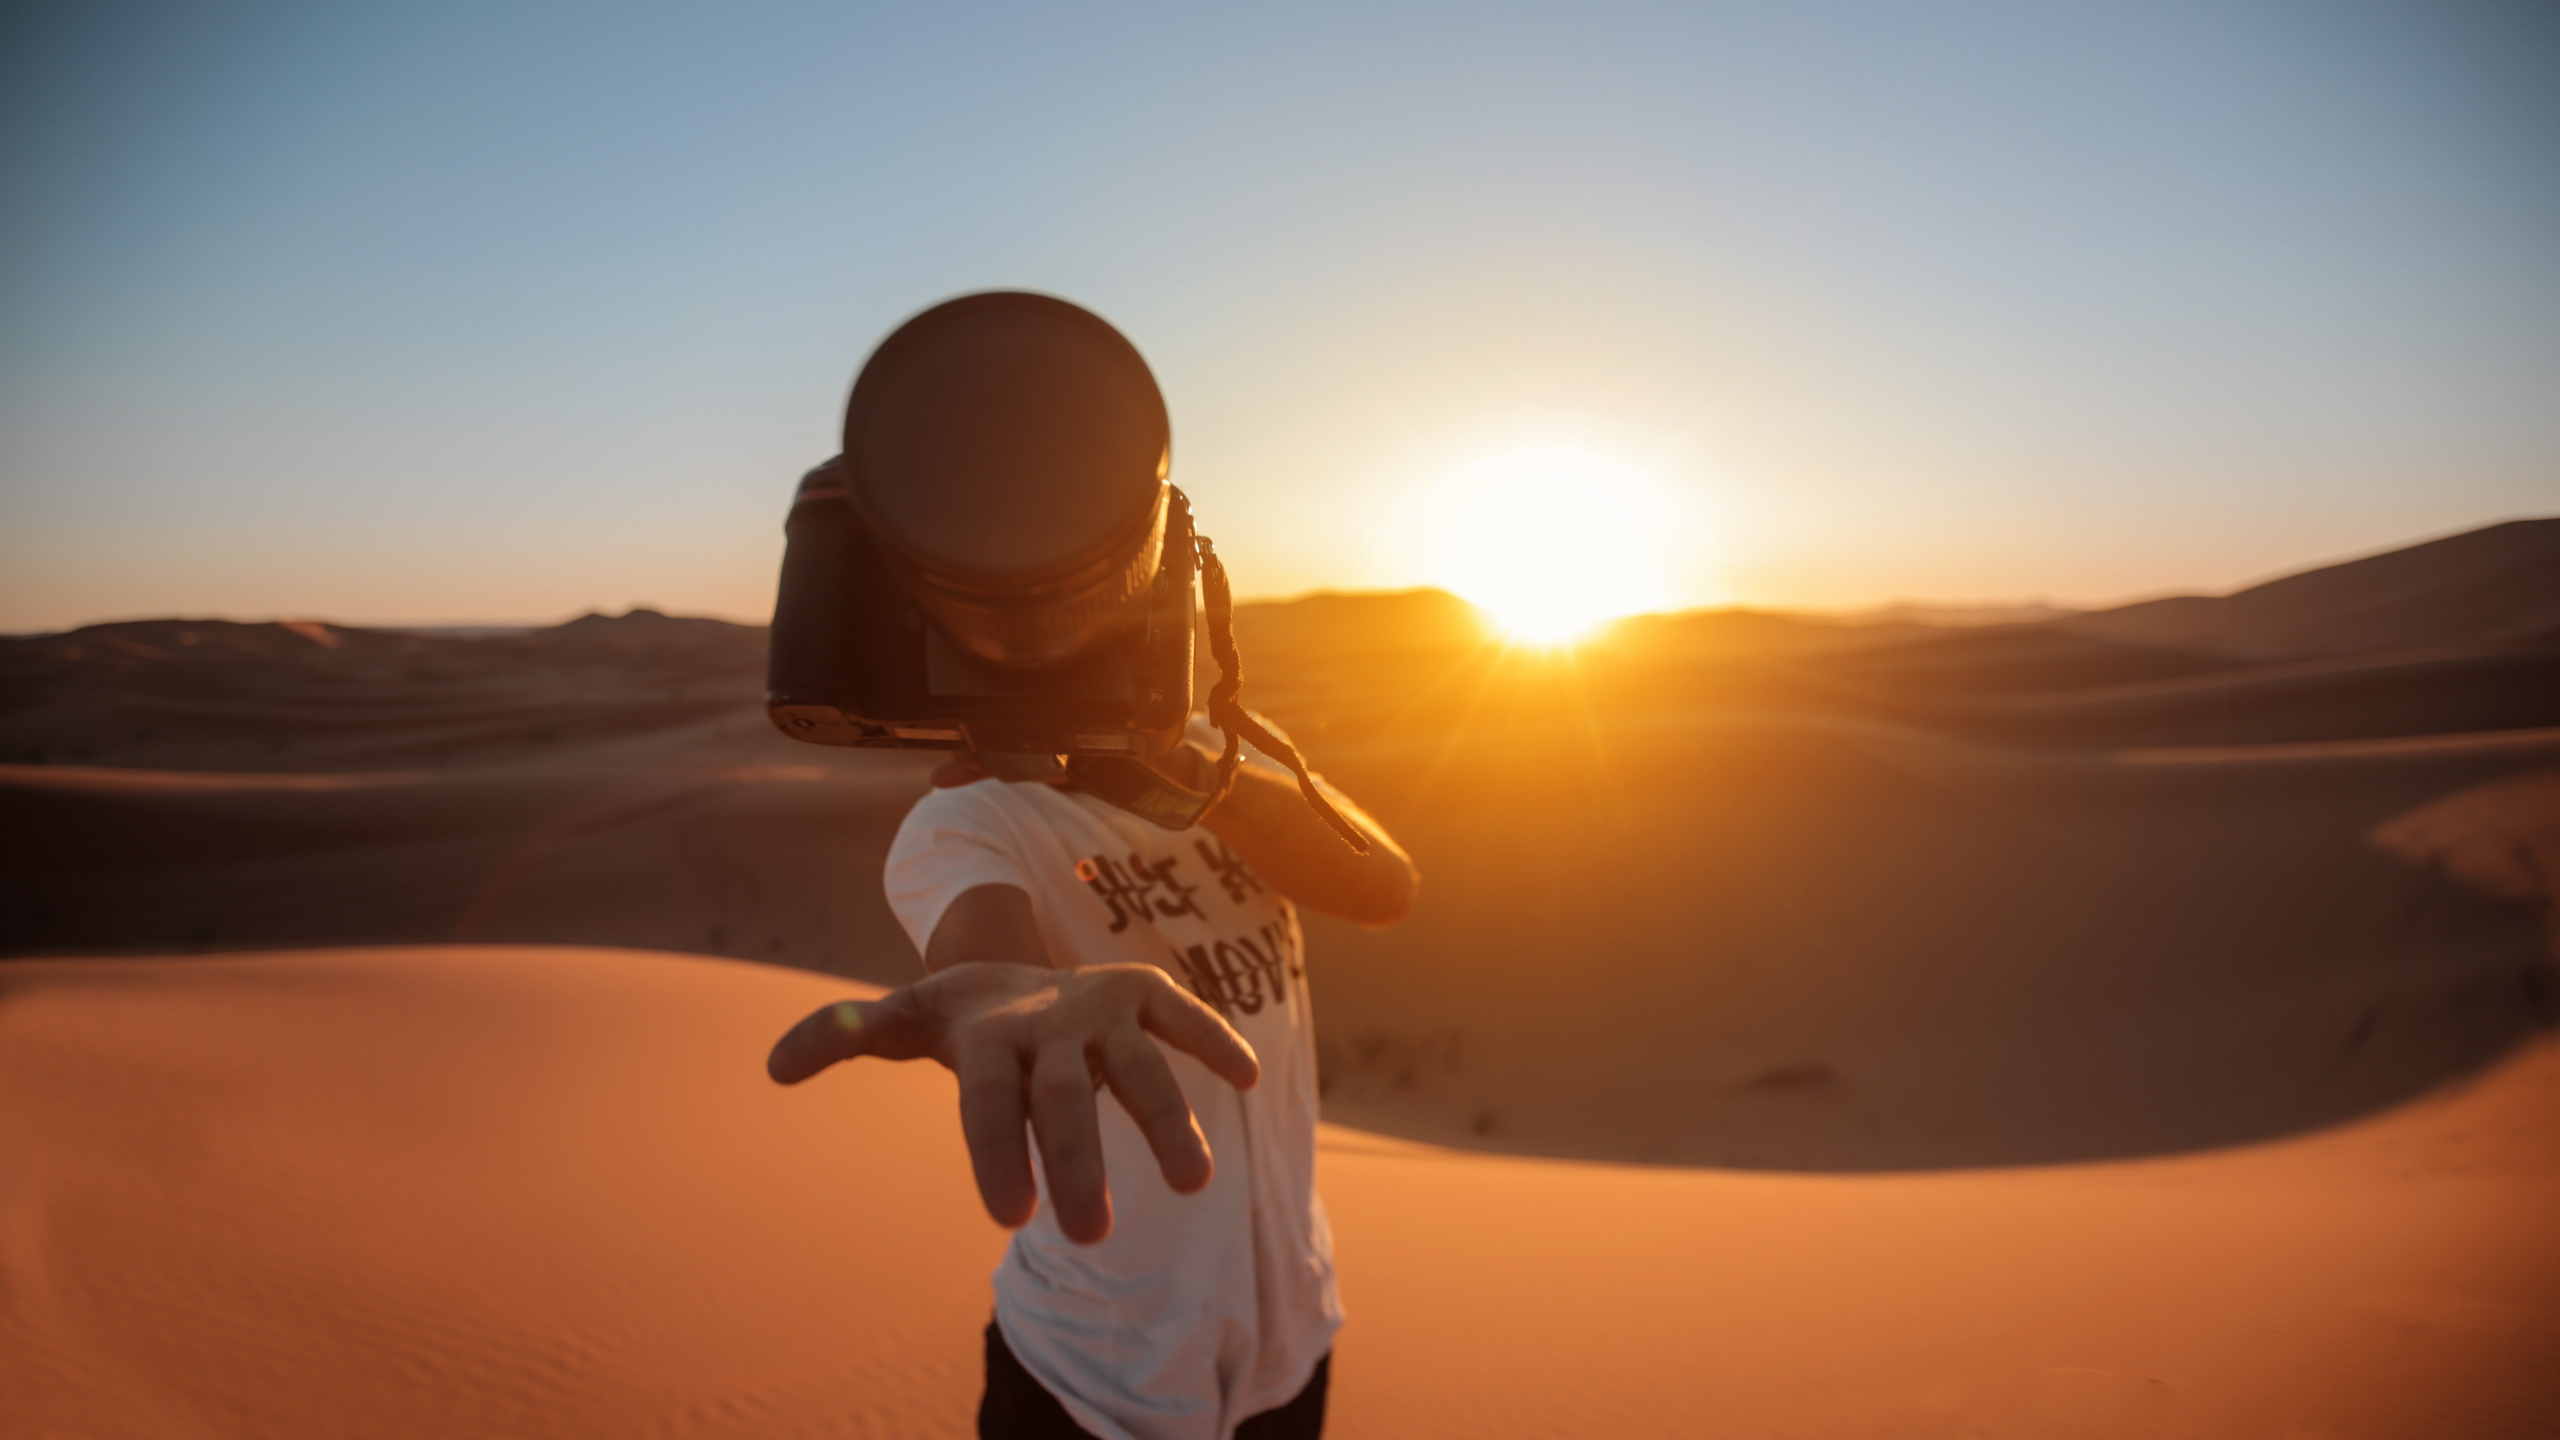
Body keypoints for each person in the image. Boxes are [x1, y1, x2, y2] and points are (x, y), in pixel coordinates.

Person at [768, 716, 1418, 1440]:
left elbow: (1385, 887)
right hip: (1090, 1377)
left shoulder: (1225, 748)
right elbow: (995, 967)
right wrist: (1019, 998)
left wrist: (1192, 773)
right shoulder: (966, 822)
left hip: (1291, 1351)